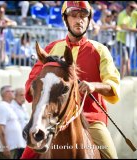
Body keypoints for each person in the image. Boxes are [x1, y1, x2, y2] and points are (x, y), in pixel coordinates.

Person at [22, 1, 120, 159]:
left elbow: (113, 85)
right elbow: (33, 80)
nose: (79, 20)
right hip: (53, 118)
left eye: (83, 16)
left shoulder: (101, 50)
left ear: (89, 21)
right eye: (74, 15)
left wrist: (93, 86)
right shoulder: (50, 49)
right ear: (65, 19)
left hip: (91, 119)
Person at [116, 1, 137, 78]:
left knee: (128, 60)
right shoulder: (122, 14)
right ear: (127, 6)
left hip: (130, 41)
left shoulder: (134, 13)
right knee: (125, 60)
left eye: (133, 8)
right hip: (121, 40)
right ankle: (122, 78)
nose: (132, 9)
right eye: (131, 7)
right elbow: (123, 27)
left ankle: (127, 77)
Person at [0, 85, 26, 159]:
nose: (14, 93)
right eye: (12, 91)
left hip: (14, 147)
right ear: (6, 93)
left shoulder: (9, 106)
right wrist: (5, 147)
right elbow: (0, 128)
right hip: (8, 148)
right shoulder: (2, 107)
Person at [11, 88, 30, 159]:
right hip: (15, 144)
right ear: (15, 96)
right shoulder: (11, 107)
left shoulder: (23, 107)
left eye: (24, 95)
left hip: (24, 142)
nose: (24, 97)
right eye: (21, 95)